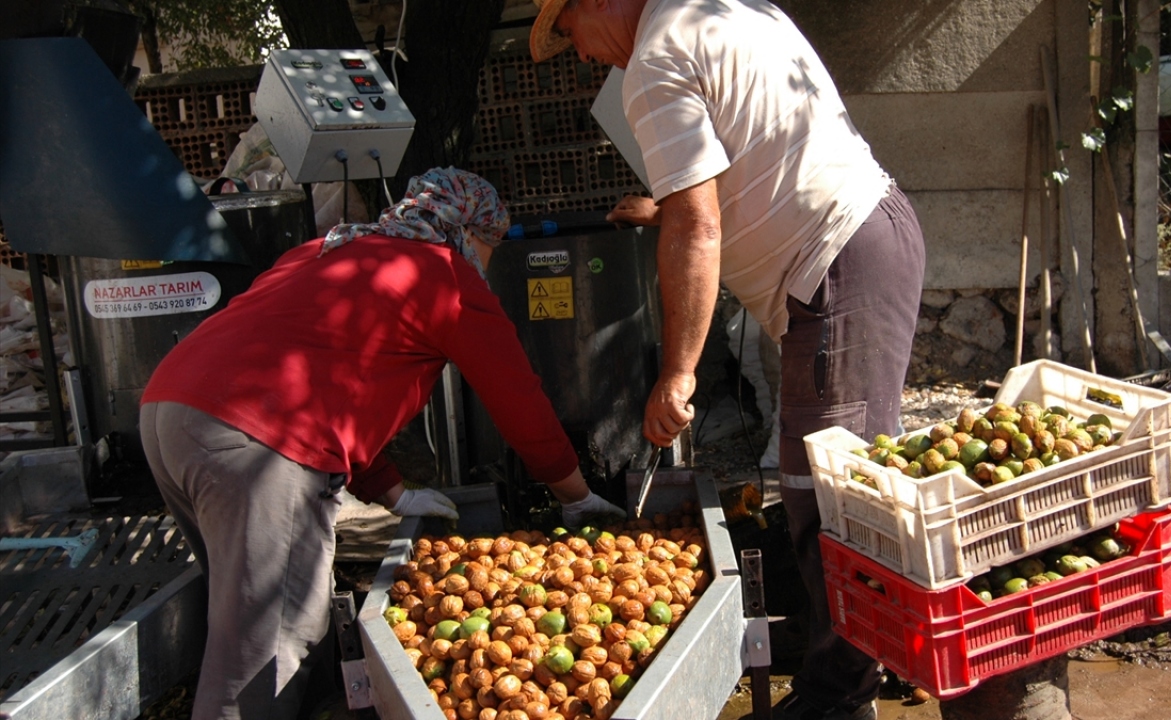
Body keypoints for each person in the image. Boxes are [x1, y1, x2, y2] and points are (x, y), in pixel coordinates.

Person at [530, 2, 927, 719]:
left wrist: (678, 372)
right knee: (834, 492)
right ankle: (853, 674)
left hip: (839, 261)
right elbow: (755, 152)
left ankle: (840, 699)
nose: (580, 53)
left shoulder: (652, 61)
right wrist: (667, 210)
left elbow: (699, 220)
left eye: (569, 32)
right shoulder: (730, 10)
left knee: (834, 503)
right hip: (865, 239)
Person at [138, 167, 625, 720]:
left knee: (245, 617)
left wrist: (393, 493)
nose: (490, 263)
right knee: (264, 651)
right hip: (255, 443)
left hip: (169, 414)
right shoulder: (446, 276)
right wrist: (575, 494)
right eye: (492, 247)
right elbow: (519, 401)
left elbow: (326, 386)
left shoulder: (324, 249)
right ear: (469, 233)